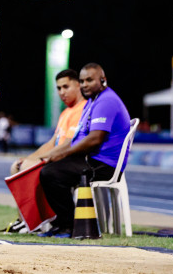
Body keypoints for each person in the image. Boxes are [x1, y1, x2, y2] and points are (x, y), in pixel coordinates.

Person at [38, 63, 131, 238]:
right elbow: (76, 139)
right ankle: (61, 223)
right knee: (48, 168)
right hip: (92, 159)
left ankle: (68, 225)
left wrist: (63, 154)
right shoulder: (92, 102)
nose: (84, 85)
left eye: (89, 80)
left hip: (103, 164)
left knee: (51, 174)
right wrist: (51, 154)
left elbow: (95, 139)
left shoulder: (106, 101)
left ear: (102, 80)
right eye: (81, 81)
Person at [2, 68, 86, 233]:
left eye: (66, 87)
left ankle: (34, 222)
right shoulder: (65, 112)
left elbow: (69, 144)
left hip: (68, 160)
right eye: (59, 88)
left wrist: (43, 159)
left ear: (78, 85)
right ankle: (24, 219)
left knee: (26, 169)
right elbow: (52, 142)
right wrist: (31, 157)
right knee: (17, 166)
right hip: (58, 157)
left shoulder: (82, 109)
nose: (62, 92)